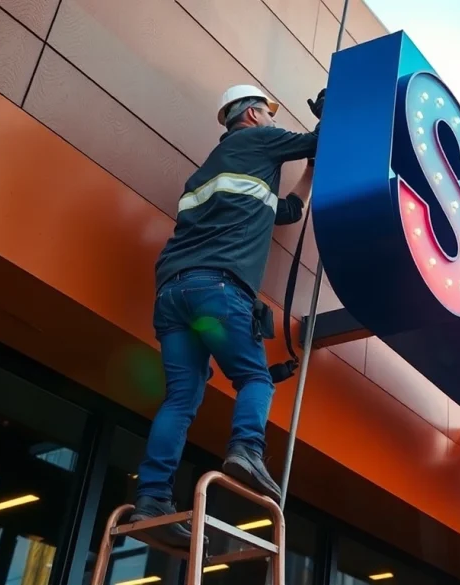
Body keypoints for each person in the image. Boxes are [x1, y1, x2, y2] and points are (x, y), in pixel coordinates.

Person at [130, 84, 324, 547]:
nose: (273, 121)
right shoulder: (258, 139)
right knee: (254, 377)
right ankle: (247, 448)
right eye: (269, 114)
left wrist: (309, 173)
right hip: (216, 292)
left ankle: (152, 498)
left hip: (174, 295)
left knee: (180, 399)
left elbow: (288, 211)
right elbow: (323, 138)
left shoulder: (211, 172)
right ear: (252, 115)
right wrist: (332, 109)